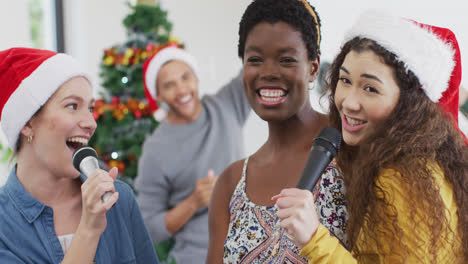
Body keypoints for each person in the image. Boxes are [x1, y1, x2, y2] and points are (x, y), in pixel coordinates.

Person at [275, 9, 468, 263]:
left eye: (370, 88)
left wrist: (313, 238)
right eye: (344, 80)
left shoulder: (404, 179)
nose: (349, 102)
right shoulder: (403, 161)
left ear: (409, 103)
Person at [206, 0, 348, 263]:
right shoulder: (231, 182)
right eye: (255, 60)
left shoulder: (351, 148)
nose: (268, 72)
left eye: (286, 60)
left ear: (313, 68)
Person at [0, 47, 159, 263]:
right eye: (72, 106)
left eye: (90, 108)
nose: (91, 123)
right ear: (27, 122)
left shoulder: (118, 200)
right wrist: (89, 229)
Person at [135, 44, 250, 263]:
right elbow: (147, 227)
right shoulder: (155, 149)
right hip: (199, 256)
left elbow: (258, 64)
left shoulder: (227, 104)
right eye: (169, 85)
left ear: (196, 78)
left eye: (185, 77)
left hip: (252, 247)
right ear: (158, 95)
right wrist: (193, 202)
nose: (181, 90)